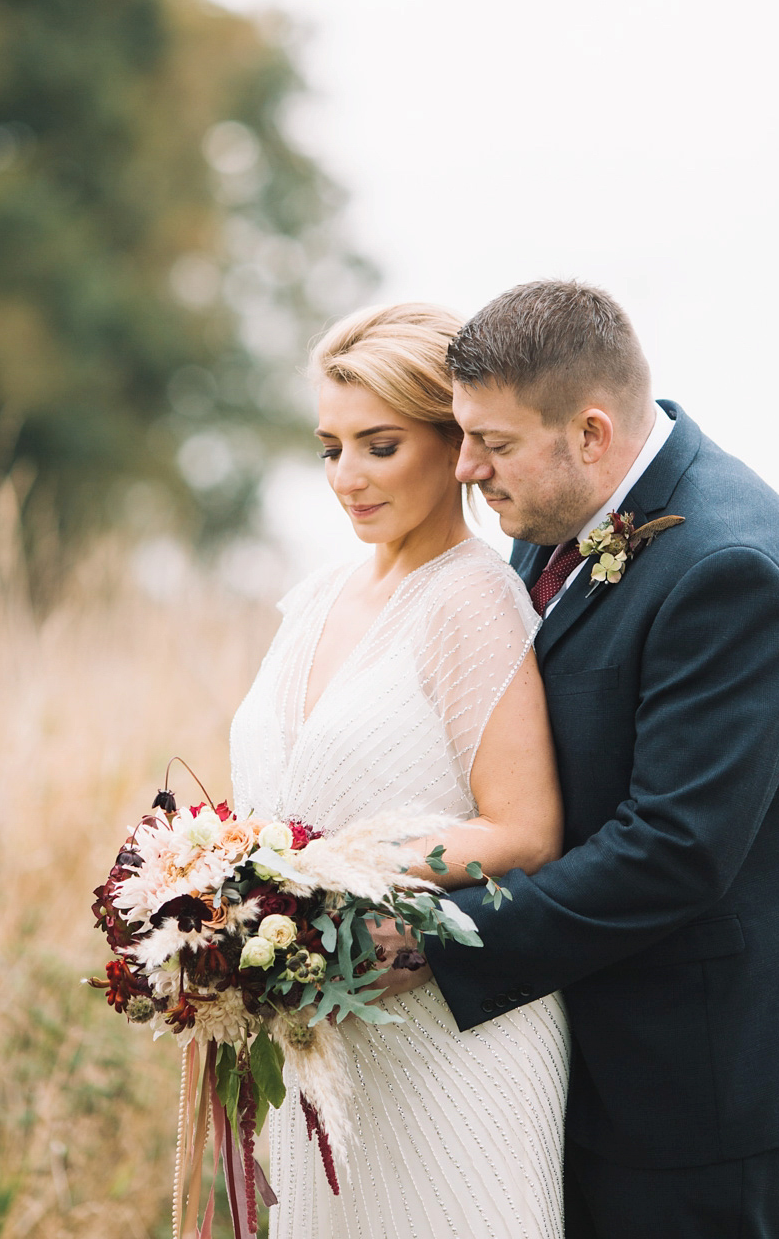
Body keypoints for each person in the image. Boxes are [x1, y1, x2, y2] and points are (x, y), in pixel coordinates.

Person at [377, 278, 779, 1239]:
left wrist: (440, 938)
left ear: (593, 433)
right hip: (578, 1046)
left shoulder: (732, 570)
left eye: (495, 443)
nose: (467, 468)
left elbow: (673, 849)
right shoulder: (553, 519)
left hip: (699, 1078)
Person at [228, 302, 571, 1239]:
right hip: (326, 1044)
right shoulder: (316, 599)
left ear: (453, 443)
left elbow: (524, 829)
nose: (347, 478)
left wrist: (326, 877)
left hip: (446, 1036)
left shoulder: (474, 602)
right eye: (330, 448)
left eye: (378, 446)